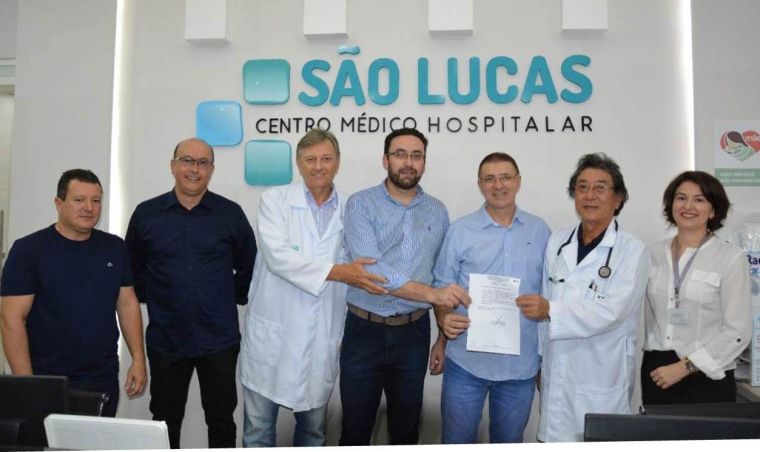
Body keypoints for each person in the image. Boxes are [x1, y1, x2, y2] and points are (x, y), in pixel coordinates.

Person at [240, 129, 387, 447]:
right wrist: (340, 272)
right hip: (273, 336)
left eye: (326, 159)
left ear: (337, 162)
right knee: (257, 432)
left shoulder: (354, 208)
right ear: (298, 163)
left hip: (321, 338)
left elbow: (366, 262)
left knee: (313, 434)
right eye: (310, 159)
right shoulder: (275, 200)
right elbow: (278, 257)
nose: (318, 166)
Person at [339, 127, 470, 445]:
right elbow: (372, 271)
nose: (408, 163)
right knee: (355, 432)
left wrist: (442, 337)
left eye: (416, 156)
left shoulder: (437, 211)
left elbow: (440, 277)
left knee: (406, 432)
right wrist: (433, 294)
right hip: (364, 332)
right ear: (385, 160)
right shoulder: (361, 203)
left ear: (424, 162)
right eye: (400, 155)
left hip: (413, 334)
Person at [125, 138, 257, 449]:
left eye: (202, 163)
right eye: (187, 160)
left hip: (219, 339)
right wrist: (161, 296)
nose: (194, 169)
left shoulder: (230, 214)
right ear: (173, 166)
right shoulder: (146, 214)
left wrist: (223, 297)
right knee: (164, 420)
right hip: (166, 339)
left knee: (221, 421)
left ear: (211, 169)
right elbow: (132, 271)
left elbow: (250, 267)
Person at [515, 153, 649, 442]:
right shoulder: (557, 242)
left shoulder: (632, 250)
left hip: (601, 372)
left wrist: (551, 311)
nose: (590, 196)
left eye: (600, 188)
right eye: (582, 187)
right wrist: (540, 360)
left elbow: (613, 311)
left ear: (618, 199)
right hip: (556, 371)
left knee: (598, 440)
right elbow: (543, 301)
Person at [0, 169, 146, 417]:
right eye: (79, 200)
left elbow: (127, 304)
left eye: (96, 200)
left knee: (95, 438)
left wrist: (138, 359)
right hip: (46, 377)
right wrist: (27, 384)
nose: (89, 207)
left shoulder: (114, 247)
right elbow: (10, 319)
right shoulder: (28, 250)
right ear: (59, 203)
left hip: (101, 377)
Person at [431, 152, 551, 443]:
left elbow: (549, 295)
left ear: (518, 181)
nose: (498, 185)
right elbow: (442, 287)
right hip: (466, 363)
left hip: (520, 367)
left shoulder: (541, 231)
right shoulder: (460, 230)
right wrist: (443, 325)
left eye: (505, 177)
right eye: (489, 179)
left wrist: (545, 359)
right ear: (480, 184)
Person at [642, 171, 751, 404]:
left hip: (707, 375)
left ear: (713, 210)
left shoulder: (730, 257)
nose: (688, 206)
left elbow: (738, 331)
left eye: (699, 200)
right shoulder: (652, 253)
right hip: (657, 372)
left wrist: (685, 367)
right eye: (681, 198)